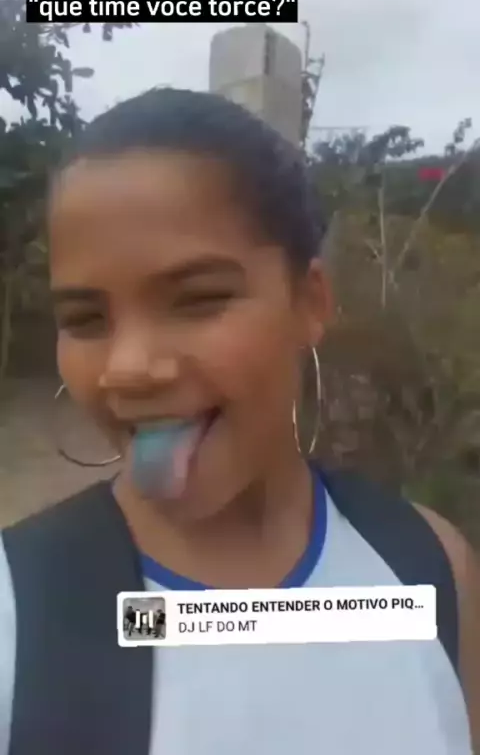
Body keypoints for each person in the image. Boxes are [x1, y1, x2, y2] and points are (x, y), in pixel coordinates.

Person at [0, 88, 478, 755]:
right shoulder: (17, 613)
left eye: (197, 299)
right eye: (85, 319)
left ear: (309, 302)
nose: (128, 368)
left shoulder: (427, 565)